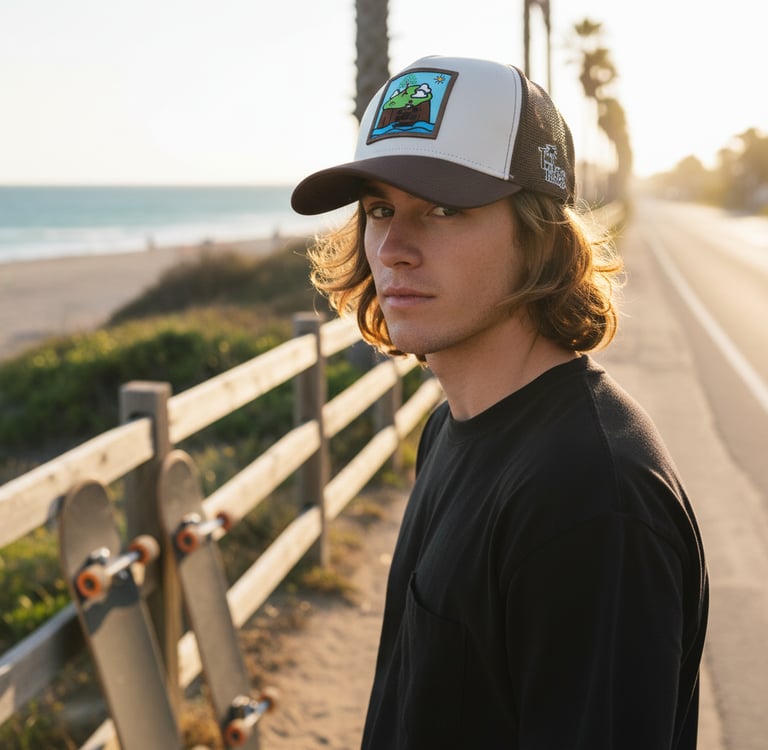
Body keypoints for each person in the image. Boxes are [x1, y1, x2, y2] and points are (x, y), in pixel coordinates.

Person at [291, 55, 708, 750]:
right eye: (379, 209)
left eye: (445, 209)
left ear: (541, 235)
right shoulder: (451, 429)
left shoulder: (590, 499)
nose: (392, 247)